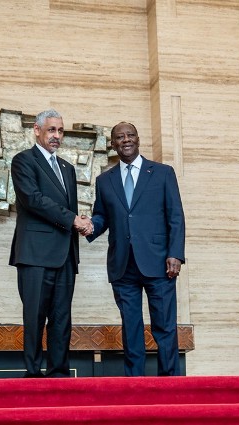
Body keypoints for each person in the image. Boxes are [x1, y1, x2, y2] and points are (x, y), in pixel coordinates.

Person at [85, 121, 185, 376]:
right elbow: (102, 216)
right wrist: (89, 226)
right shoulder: (104, 180)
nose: (126, 140)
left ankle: (170, 382)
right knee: (131, 327)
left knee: (164, 326)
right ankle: (135, 383)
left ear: (138, 140)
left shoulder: (162, 173)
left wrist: (175, 253)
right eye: (120, 137)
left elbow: (175, 216)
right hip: (123, 265)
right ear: (113, 144)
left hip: (159, 262)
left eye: (130, 135)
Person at [9, 109, 92, 378]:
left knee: (62, 319)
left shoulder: (67, 168)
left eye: (60, 131)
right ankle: (33, 375)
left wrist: (81, 223)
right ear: (37, 130)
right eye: (51, 130)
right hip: (35, 255)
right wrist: (73, 220)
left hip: (65, 255)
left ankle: (59, 375)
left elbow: (68, 209)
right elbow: (33, 200)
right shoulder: (23, 161)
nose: (57, 136)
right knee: (34, 318)